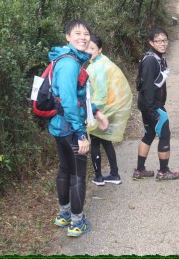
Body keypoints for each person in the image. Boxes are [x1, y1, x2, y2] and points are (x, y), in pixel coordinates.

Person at [49, 19, 109, 237]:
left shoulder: (69, 59)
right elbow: (68, 101)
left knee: (65, 169)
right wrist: (81, 134)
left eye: (86, 33)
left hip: (61, 126)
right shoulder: (69, 64)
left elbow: (79, 97)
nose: (83, 37)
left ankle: (64, 214)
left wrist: (96, 112)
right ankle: (76, 222)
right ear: (67, 37)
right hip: (70, 129)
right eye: (77, 33)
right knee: (77, 175)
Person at [133, 28, 179, 181]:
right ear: (151, 42)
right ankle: (163, 171)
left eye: (165, 40)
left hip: (148, 105)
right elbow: (147, 87)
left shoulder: (156, 57)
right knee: (164, 135)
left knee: (149, 134)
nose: (162, 43)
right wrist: (153, 110)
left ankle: (140, 170)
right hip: (153, 106)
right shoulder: (151, 60)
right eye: (158, 41)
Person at [86, 35, 132, 186]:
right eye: (86, 48)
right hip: (109, 109)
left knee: (95, 143)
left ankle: (98, 177)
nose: (89, 51)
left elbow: (100, 93)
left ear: (100, 49)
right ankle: (114, 174)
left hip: (101, 110)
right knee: (106, 142)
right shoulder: (104, 62)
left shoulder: (97, 67)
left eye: (92, 48)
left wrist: (95, 113)